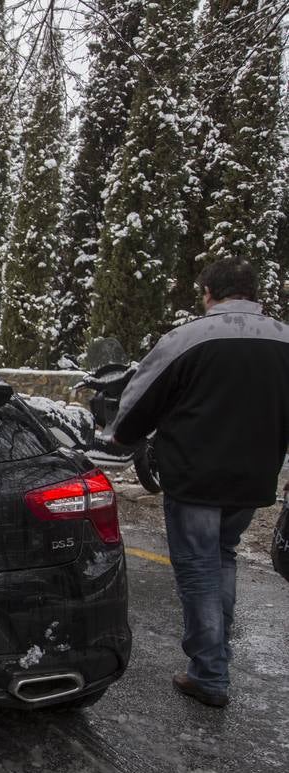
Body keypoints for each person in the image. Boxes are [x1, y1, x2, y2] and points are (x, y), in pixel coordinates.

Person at [109, 256, 289, 707]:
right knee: (223, 558)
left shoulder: (187, 339)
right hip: (253, 478)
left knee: (198, 569)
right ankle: (215, 655)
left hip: (194, 476)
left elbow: (136, 402)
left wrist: (127, 439)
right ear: (254, 294)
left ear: (208, 292)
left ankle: (209, 672)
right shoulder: (285, 340)